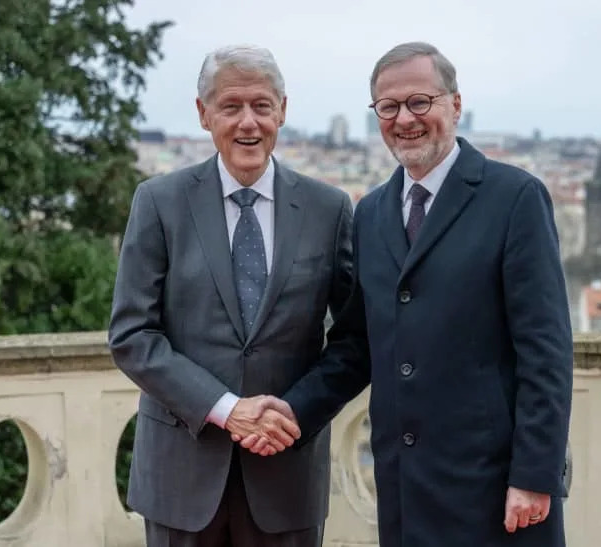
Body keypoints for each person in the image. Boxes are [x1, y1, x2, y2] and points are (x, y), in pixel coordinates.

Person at [243, 41, 574, 547]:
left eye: (420, 101)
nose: (405, 119)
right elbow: (358, 344)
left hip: (496, 490)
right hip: (403, 487)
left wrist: (534, 475)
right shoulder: (372, 212)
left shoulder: (515, 198)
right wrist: (294, 410)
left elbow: (546, 352)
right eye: (389, 107)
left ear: (455, 105)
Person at [108, 44, 354, 547]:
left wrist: (295, 413)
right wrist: (224, 408)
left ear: (282, 110)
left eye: (262, 106)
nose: (248, 123)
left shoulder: (329, 208)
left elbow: (354, 339)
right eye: (231, 106)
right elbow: (132, 334)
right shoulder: (158, 202)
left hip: (288, 476)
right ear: (204, 114)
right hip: (182, 478)